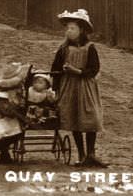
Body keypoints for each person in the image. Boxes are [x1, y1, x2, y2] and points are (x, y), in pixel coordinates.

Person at [51, 9, 106, 168]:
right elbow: (55, 69)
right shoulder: (63, 49)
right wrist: (55, 88)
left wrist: (77, 71)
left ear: (81, 30)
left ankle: (91, 154)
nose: (68, 31)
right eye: (67, 28)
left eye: (72, 28)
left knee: (90, 118)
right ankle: (81, 155)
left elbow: (94, 69)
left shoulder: (90, 47)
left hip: (86, 86)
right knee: (74, 118)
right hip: (69, 87)